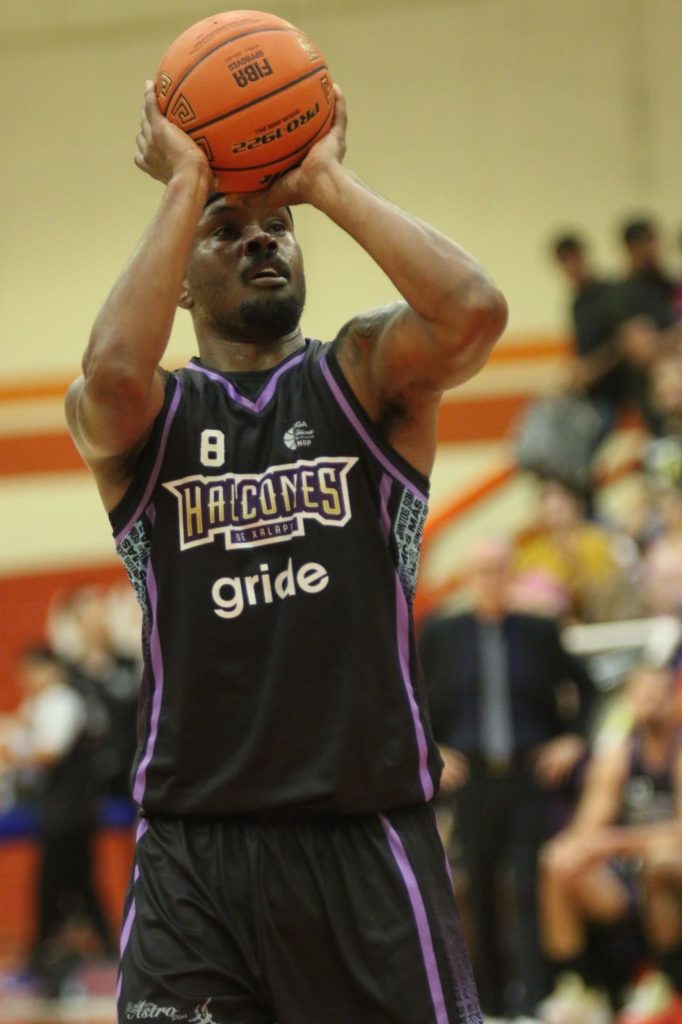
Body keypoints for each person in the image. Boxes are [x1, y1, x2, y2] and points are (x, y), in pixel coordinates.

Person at [64, 78, 507, 1024]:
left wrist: (325, 184)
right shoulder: (148, 417)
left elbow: (472, 313)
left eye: (277, 227)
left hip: (363, 839)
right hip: (194, 859)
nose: (262, 239)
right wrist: (185, 185)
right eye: (227, 232)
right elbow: (110, 373)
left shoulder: (363, 374)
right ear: (180, 283)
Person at [419, 536, 595, 1021]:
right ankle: (489, 1003)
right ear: (468, 578)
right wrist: (433, 750)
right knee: (475, 887)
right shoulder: (442, 633)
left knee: (527, 885)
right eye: (482, 571)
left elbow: (586, 686)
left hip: (528, 774)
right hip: (471, 778)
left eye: (499, 569)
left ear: (512, 574)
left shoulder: (539, 630)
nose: (490, 580)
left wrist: (572, 738)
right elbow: (413, 697)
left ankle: (535, 999)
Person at [539, 664, 682, 1024]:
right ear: (629, 700)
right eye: (642, 694)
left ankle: (664, 981)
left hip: (668, 866)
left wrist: (617, 842)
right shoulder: (618, 753)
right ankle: (580, 986)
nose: (650, 702)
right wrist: (574, 847)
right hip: (628, 870)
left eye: (658, 694)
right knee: (557, 860)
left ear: (672, 699)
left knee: (661, 862)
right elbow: (589, 828)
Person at [0, 646, 115, 996]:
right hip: (56, 810)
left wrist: (13, 751)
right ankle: (106, 953)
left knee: (51, 886)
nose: (26, 681)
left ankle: (42, 961)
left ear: (47, 669)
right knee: (81, 885)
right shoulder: (38, 704)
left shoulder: (64, 701)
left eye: (30, 672)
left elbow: (49, 751)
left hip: (71, 812)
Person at [551, 232, 629, 449]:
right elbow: (582, 349)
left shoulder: (612, 293)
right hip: (589, 397)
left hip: (616, 393)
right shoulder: (577, 304)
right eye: (564, 262)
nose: (571, 266)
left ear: (584, 256)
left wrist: (593, 369)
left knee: (576, 444)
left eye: (573, 258)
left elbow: (625, 342)